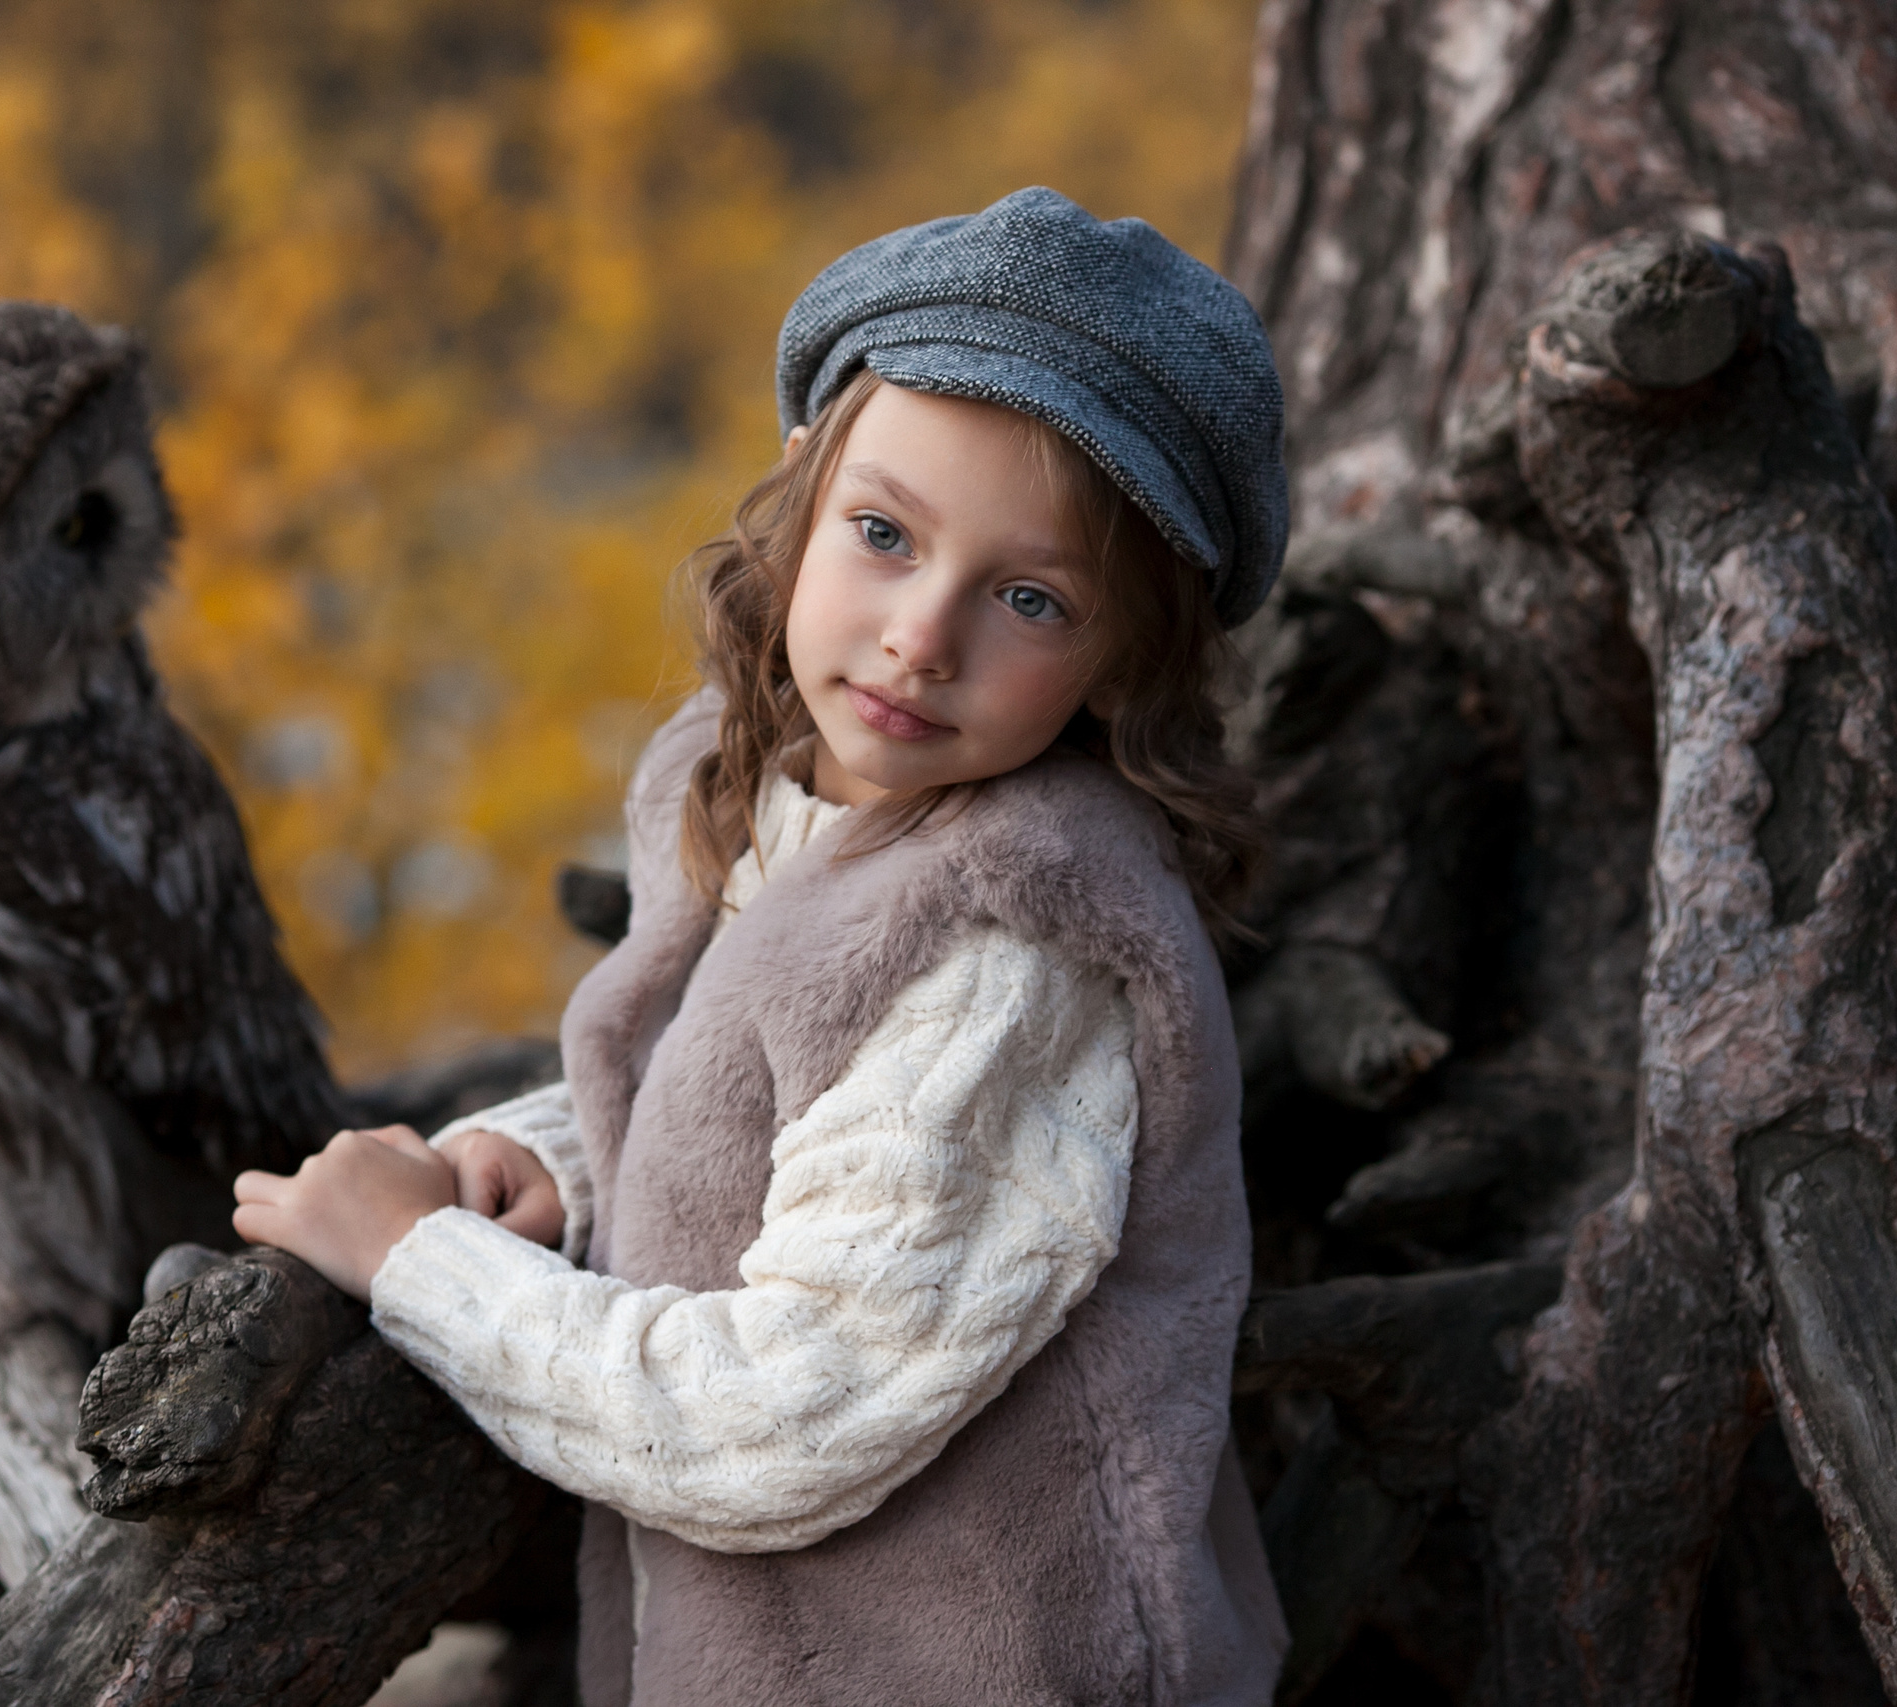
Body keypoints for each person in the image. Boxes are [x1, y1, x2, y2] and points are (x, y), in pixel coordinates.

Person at [233, 187, 1292, 1706]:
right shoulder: (777, 790)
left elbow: (786, 1419)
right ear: (802, 485)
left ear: (1127, 655)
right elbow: (761, 1087)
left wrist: (421, 1264)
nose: (923, 636)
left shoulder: (1012, 953)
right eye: (884, 534)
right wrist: (563, 1159)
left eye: (1031, 597)